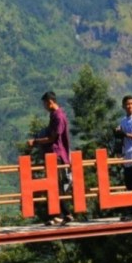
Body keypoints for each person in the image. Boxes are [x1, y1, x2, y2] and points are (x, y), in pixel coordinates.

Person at [27, 91, 74, 226]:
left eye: (45, 104)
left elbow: (53, 138)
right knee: (54, 186)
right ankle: (60, 215)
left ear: (50, 102)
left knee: (54, 186)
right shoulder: (55, 115)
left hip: (56, 155)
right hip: (54, 154)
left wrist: (35, 142)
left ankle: (67, 213)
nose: (45, 107)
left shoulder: (58, 116)